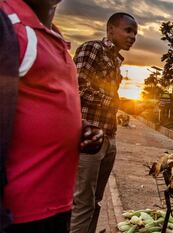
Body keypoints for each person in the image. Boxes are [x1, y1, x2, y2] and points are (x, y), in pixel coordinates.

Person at [0, 0, 103, 232]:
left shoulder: (53, 36)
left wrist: (80, 129)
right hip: (19, 215)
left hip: (55, 208)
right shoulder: (8, 25)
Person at [70, 12, 138, 233]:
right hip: (90, 135)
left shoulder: (116, 61)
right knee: (82, 201)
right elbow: (76, 88)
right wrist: (115, 101)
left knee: (96, 200)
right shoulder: (92, 49)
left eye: (135, 33)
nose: (133, 36)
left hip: (109, 136)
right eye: (128, 30)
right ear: (110, 30)